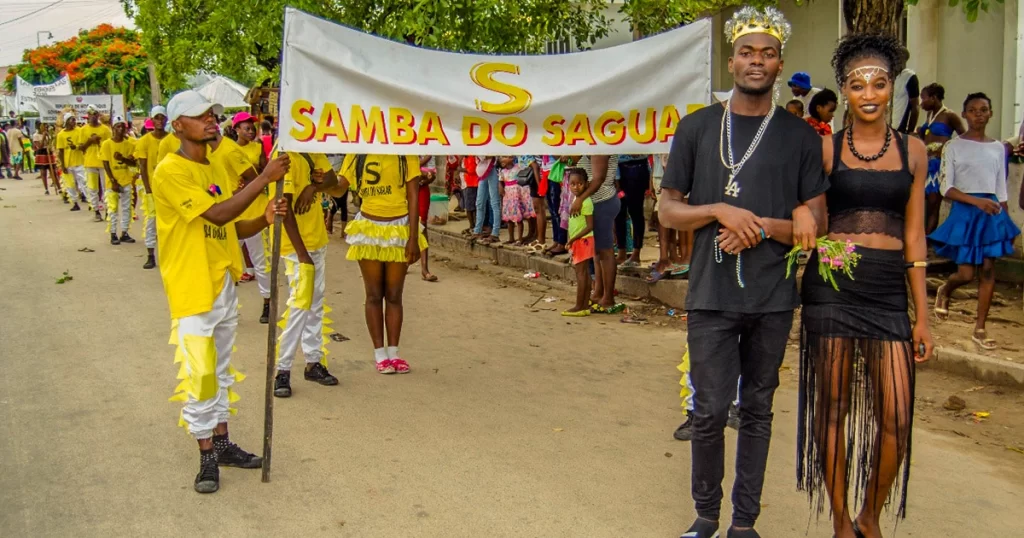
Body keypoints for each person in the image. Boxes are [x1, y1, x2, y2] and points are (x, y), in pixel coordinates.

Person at [658, 7, 826, 538]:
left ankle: (744, 522)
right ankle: (706, 515)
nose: (757, 61)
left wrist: (758, 226)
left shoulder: (800, 136)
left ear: (780, 65)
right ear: (731, 62)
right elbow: (668, 210)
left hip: (772, 296)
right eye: (747, 52)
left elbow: (816, 223)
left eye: (767, 54)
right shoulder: (697, 127)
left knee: (756, 408)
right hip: (710, 292)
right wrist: (718, 211)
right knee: (708, 410)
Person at [797, 33, 935, 538]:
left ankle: (869, 515)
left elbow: (914, 236)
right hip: (833, 284)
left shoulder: (913, 150)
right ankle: (840, 520)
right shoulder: (825, 149)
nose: (869, 93)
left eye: (879, 83)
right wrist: (801, 214)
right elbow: (811, 217)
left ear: (892, 86)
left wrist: (922, 317)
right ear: (844, 91)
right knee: (832, 407)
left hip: (887, 288)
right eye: (858, 85)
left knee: (896, 416)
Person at [153, 90, 290, 493]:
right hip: (192, 287)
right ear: (178, 126)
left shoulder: (213, 167)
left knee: (222, 370)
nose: (211, 120)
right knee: (201, 374)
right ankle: (206, 457)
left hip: (223, 285)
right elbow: (216, 213)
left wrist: (264, 219)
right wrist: (264, 178)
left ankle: (224, 442)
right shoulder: (170, 170)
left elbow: (229, 226)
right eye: (200, 116)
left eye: (212, 114)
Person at [931, 92, 1020, 351]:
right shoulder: (953, 146)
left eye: (983, 110)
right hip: (966, 210)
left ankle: (980, 328)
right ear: (964, 114)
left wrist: (1005, 222)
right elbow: (946, 188)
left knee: (989, 270)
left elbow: (1000, 188)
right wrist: (976, 201)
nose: (978, 114)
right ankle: (946, 289)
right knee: (966, 273)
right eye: (972, 110)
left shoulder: (997, 148)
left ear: (991, 113)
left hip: (991, 212)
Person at [340, 154, 427, 374]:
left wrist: (413, 238)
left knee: (394, 294)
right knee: (373, 294)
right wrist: (318, 181)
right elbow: (339, 187)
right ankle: (380, 353)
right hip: (368, 228)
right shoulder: (356, 153)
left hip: (399, 228)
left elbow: (413, 195)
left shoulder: (405, 152)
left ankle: (394, 353)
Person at [271, 151, 343, 396]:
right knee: (300, 304)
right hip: (296, 246)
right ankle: (283, 368)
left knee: (315, 304)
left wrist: (313, 186)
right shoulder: (285, 155)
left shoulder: (312, 150)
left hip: (316, 241)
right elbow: (284, 206)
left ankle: (313, 361)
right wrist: (302, 253)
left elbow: (333, 181)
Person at [206, 119, 275, 324]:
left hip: (250, 212)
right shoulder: (208, 152)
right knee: (223, 261)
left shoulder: (229, 150)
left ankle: (268, 303)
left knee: (261, 261)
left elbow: (255, 179)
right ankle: (225, 309)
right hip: (226, 213)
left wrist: (234, 194)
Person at [571, 154, 622, 314]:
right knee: (598, 252)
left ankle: (608, 298)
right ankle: (599, 292)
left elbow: (598, 179)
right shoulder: (592, 145)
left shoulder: (600, 146)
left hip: (603, 201)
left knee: (605, 252)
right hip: (598, 201)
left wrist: (580, 199)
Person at [917, 83, 966, 234]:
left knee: (933, 203)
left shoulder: (949, 115)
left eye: (924, 98)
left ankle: (928, 238)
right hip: (926, 163)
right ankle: (922, 236)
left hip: (938, 165)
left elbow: (964, 137)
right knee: (922, 203)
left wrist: (949, 152)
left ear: (934, 98)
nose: (921, 103)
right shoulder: (930, 116)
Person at [134, 106, 171, 269]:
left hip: (169, 188)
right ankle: (150, 255)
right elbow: (142, 166)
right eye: (157, 118)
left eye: (162, 117)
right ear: (152, 120)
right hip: (152, 188)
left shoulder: (172, 140)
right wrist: (148, 189)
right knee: (151, 221)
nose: (160, 121)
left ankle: (169, 255)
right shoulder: (144, 141)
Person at [647, 154, 692, 283]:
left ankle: (682, 258)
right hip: (664, 173)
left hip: (672, 174)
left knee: (681, 212)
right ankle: (674, 257)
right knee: (675, 213)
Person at [562, 168, 595, 317]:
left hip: (583, 240)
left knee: (581, 274)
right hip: (580, 240)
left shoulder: (585, 202)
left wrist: (572, 239)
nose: (576, 187)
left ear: (586, 184)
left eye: (580, 184)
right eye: (573, 184)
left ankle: (579, 306)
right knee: (584, 274)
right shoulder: (576, 200)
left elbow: (590, 226)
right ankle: (584, 305)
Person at [100, 116, 137, 245]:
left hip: (126, 180)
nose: (120, 129)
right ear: (113, 128)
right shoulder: (106, 144)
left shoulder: (129, 144)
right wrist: (113, 181)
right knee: (113, 209)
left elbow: (133, 163)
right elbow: (105, 163)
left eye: (123, 127)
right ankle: (113, 233)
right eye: (118, 126)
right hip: (112, 182)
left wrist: (123, 159)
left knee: (127, 208)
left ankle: (125, 232)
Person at [614, 154, 652, 267]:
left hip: (636, 166)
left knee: (636, 212)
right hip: (617, 166)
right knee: (618, 213)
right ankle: (621, 252)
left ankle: (636, 253)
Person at [76, 105, 112, 222]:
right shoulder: (83, 130)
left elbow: (110, 145)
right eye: (90, 114)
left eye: (94, 114)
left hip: (103, 162)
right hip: (90, 162)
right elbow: (81, 147)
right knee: (92, 188)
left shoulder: (105, 130)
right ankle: (96, 211)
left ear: (98, 115)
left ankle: (108, 210)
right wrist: (90, 141)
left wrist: (100, 142)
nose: (92, 117)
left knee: (106, 187)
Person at [498, 155, 534, 245]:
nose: (501, 159)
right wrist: (500, 188)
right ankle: (511, 238)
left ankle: (520, 239)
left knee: (518, 218)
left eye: (504, 157)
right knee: (509, 219)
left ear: (511, 158)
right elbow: (500, 181)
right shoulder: (502, 171)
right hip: (508, 196)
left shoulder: (518, 168)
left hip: (516, 196)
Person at [56, 114, 85, 211]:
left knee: (84, 182)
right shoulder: (61, 135)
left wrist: (76, 147)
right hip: (68, 163)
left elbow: (83, 145)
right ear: (67, 121)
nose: (74, 121)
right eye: (72, 120)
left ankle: (91, 202)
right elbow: (61, 151)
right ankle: (75, 203)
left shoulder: (79, 131)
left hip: (80, 162)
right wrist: (63, 165)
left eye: (74, 119)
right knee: (70, 185)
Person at [417, 155, 439, 282]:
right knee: (404, 225)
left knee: (422, 226)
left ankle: (424, 269)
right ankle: (404, 261)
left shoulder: (430, 150)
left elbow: (432, 175)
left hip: (422, 189)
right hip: (405, 189)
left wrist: (425, 179)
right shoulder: (405, 146)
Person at [890, 47, 920, 135]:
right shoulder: (888, 76)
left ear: (904, 59)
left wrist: (910, 131)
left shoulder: (909, 77)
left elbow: (915, 107)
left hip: (900, 127)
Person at [473, 156, 502, 244]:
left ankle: (495, 233)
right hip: (483, 168)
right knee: (479, 202)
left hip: (492, 167)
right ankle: (477, 230)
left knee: (494, 202)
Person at [32, 124, 56, 194]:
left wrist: (49, 137)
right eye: (44, 127)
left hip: (49, 152)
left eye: (46, 127)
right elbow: (40, 146)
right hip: (41, 153)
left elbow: (52, 144)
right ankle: (46, 189)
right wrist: (43, 137)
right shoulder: (36, 135)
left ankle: (57, 186)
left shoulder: (49, 134)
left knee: (53, 171)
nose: (46, 128)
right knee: (43, 172)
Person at [461, 155, 479, 234]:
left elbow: (472, 170)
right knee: (469, 206)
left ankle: (473, 225)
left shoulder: (471, 157)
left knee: (471, 207)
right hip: (467, 184)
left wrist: (460, 169)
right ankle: (472, 225)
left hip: (472, 184)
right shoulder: (466, 158)